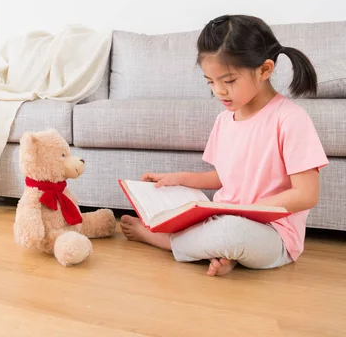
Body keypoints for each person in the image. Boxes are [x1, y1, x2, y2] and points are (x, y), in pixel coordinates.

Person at [120, 14, 329, 276]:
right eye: (211, 82)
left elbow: (306, 194)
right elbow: (224, 176)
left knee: (232, 233)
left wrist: (247, 213)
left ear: (264, 70)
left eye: (228, 81)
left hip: (272, 234)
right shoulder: (224, 119)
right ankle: (225, 253)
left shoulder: (290, 119)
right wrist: (179, 178)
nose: (219, 91)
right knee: (209, 223)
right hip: (222, 219)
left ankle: (158, 239)